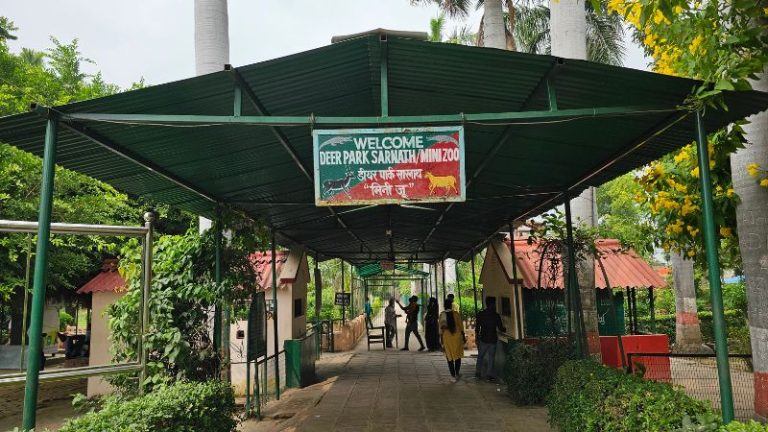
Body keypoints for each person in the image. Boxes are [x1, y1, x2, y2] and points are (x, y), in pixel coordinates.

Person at [475, 297, 506, 381]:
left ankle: (478, 372)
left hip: (483, 339)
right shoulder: (496, 315)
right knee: (491, 357)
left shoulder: (480, 314)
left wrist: (476, 338)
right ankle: (489, 374)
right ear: (492, 304)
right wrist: (505, 329)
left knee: (480, 356)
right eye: (494, 303)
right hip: (492, 339)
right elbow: (501, 328)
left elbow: (477, 328)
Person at [440, 298, 464, 381]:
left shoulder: (442, 314)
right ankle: (457, 372)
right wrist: (463, 336)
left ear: (444, 306)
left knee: (449, 356)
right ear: (451, 305)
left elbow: (441, 328)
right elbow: (461, 326)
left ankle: (453, 375)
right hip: (457, 337)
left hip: (447, 337)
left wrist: (441, 341)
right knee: (457, 355)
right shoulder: (456, 314)